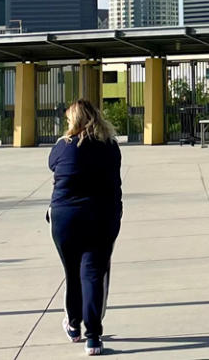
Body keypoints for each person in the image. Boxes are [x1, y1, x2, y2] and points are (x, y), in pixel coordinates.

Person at [48, 100, 123, 356]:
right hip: (101, 216)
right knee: (92, 274)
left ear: (74, 121)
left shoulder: (63, 146)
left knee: (72, 274)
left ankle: (73, 325)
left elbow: (53, 166)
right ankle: (93, 338)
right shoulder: (110, 146)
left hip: (64, 218)